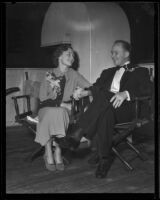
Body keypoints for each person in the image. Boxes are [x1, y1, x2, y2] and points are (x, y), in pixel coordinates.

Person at [55, 40, 152, 178]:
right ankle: (104, 159)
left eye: (116, 52)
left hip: (126, 111)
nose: (113, 55)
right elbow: (95, 87)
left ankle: (77, 134)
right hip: (106, 109)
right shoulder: (107, 72)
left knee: (103, 96)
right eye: (111, 53)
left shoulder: (140, 71)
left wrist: (126, 94)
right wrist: (84, 92)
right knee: (105, 111)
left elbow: (149, 90)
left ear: (127, 53)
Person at [35, 44, 91, 171]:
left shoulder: (74, 74)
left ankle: (58, 150)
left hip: (66, 110)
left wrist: (83, 93)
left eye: (73, 55)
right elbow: (43, 98)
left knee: (60, 112)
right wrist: (59, 104)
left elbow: (91, 88)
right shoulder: (49, 74)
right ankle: (49, 150)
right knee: (55, 111)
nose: (72, 58)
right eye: (68, 54)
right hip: (47, 108)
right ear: (59, 57)